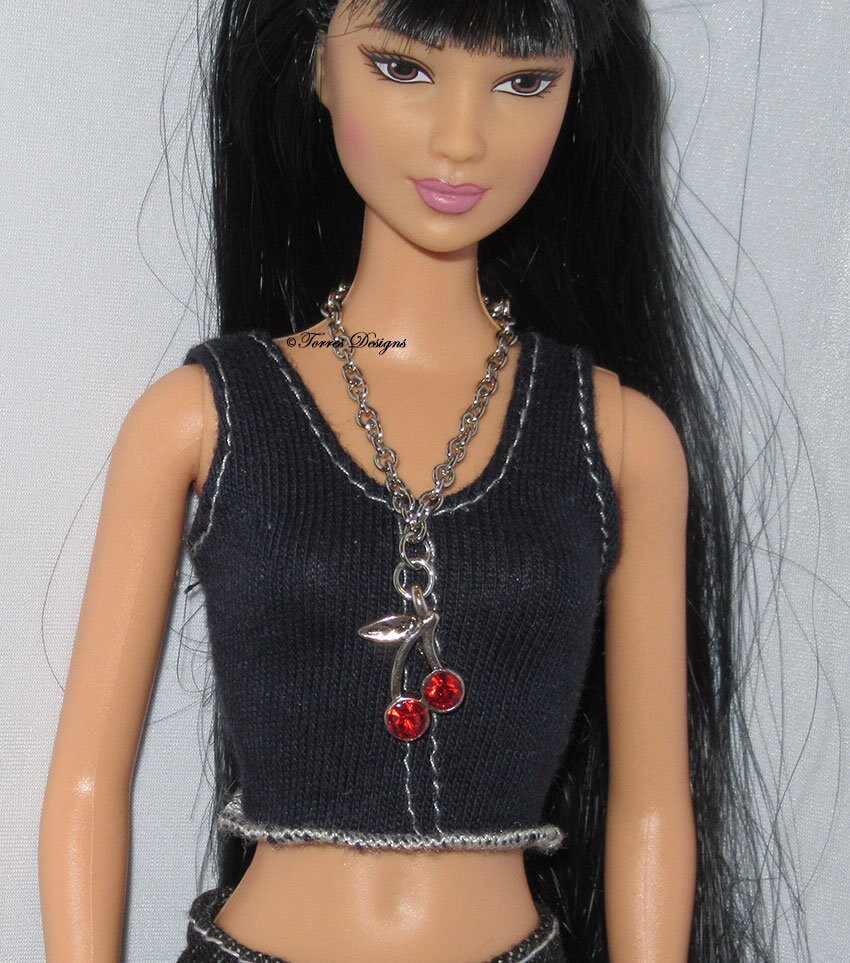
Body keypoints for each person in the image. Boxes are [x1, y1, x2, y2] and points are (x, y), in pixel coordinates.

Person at [39, 0, 790, 959]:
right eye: (403, 68)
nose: (461, 137)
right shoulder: (199, 417)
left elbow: (652, 809)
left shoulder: (620, 439)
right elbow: (87, 786)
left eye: (524, 81)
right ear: (318, 67)